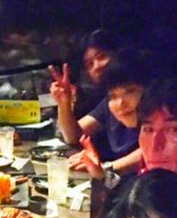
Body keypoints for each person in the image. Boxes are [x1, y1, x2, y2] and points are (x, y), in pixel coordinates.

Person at [72, 78, 177, 204]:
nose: (155, 145)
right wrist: (102, 175)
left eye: (173, 130)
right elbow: (136, 200)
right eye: (148, 130)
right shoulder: (175, 178)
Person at [49, 48, 153, 176]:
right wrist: (64, 103)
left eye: (130, 91)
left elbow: (150, 151)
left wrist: (104, 169)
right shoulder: (109, 105)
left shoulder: (160, 115)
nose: (120, 103)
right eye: (113, 95)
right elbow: (74, 136)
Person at [74, 29, 121, 117]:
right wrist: (63, 103)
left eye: (102, 56)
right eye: (89, 64)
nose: (96, 66)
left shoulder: (142, 89)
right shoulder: (107, 100)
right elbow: (77, 126)